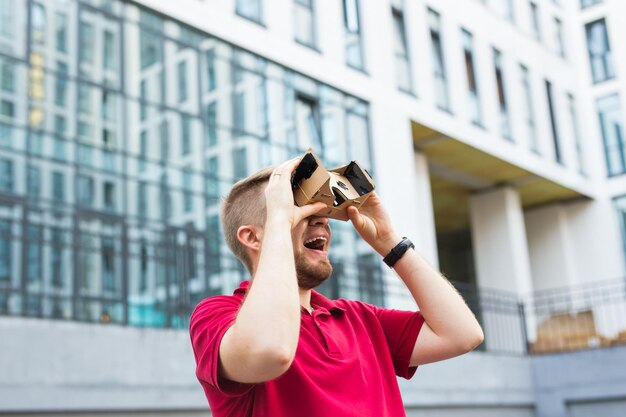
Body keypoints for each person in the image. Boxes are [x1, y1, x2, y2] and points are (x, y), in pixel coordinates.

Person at [189, 157, 484, 417]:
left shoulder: (359, 319)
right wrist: (278, 218)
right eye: (302, 215)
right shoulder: (219, 316)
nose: (321, 224)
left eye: (323, 217)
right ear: (252, 238)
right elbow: (271, 350)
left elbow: (462, 334)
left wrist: (390, 243)